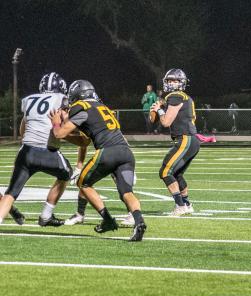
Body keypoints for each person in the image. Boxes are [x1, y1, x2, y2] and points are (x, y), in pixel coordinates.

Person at [50, 80, 146, 241]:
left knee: (83, 183)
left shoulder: (80, 107)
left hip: (108, 151)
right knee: (127, 192)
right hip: (126, 152)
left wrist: (56, 123)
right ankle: (139, 221)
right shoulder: (103, 108)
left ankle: (107, 220)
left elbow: (59, 134)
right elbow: (85, 140)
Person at [0, 72, 83, 227]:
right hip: (48, 152)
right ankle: (46, 215)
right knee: (66, 174)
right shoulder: (62, 100)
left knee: (11, 193)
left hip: (26, 151)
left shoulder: (29, 100)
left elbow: (22, 131)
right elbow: (65, 124)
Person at [150, 68, 201, 216]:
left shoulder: (176, 96)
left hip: (185, 139)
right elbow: (152, 120)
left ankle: (180, 206)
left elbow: (166, 122)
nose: (172, 83)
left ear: (182, 83)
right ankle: (187, 204)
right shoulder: (181, 97)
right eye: (170, 80)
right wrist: (155, 109)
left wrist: (159, 110)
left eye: (175, 81)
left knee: (165, 172)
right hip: (191, 140)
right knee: (177, 174)